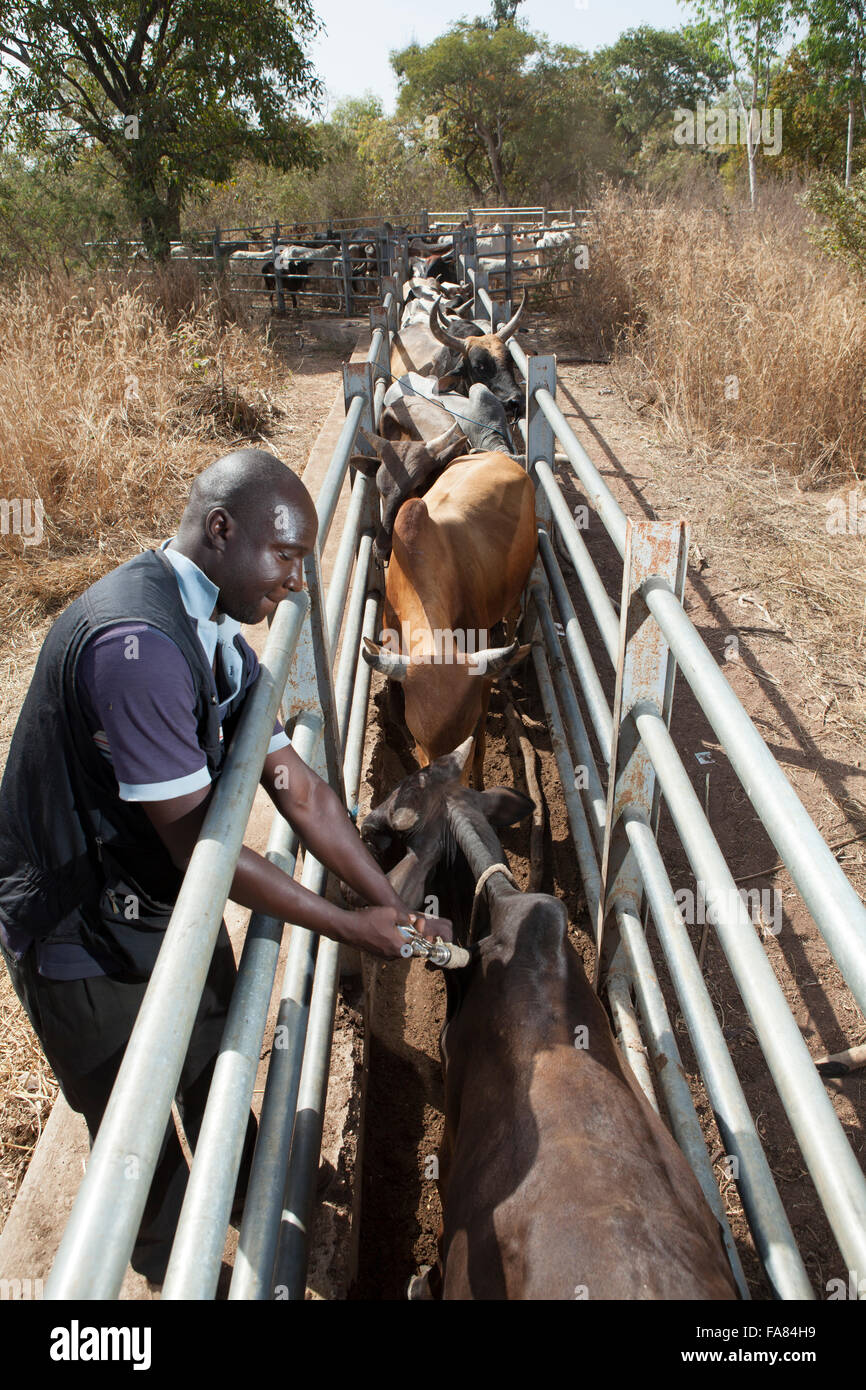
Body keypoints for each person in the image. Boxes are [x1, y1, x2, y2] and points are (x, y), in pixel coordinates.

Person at [0, 447, 450, 1284]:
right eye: (283, 557)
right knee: (136, 1139)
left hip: (158, 902)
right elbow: (204, 847)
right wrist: (350, 924)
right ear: (220, 530)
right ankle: (179, 1267)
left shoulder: (211, 629)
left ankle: (249, 1191)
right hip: (77, 938)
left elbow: (299, 789)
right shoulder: (137, 648)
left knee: (212, 1062)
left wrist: (387, 897)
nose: (296, 583)